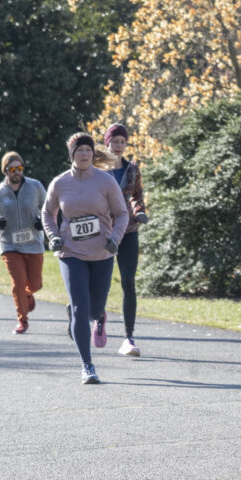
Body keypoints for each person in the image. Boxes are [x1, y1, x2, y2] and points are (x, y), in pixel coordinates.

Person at [42, 133, 128, 384]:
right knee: (81, 307)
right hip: (71, 252)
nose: (84, 154)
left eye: (88, 150)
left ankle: (90, 315)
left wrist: (115, 238)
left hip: (102, 251)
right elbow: (48, 213)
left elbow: (122, 213)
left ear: (93, 153)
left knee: (96, 310)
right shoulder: (59, 183)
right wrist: (54, 236)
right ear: (72, 154)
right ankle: (87, 365)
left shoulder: (105, 181)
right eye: (79, 150)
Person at [0, 152, 48, 334]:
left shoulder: (35, 186)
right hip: (9, 245)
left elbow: (48, 207)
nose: (17, 172)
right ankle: (22, 320)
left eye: (20, 168)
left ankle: (28, 294)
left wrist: (43, 221)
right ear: (5, 171)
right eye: (12, 169)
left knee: (35, 284)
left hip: (33, 243)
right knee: (17, 283)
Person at [104, 123, 149, 357]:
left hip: (129, 231)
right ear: (107, 143)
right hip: (103, 232)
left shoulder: (132, 170)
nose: (119, 146)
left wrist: (139, 210)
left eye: (122, 142)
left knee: (128, 283)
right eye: (115, 141)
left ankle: (128, 337)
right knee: (97, 282)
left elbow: (137, 196)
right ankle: (95, 316)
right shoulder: (97, 170)